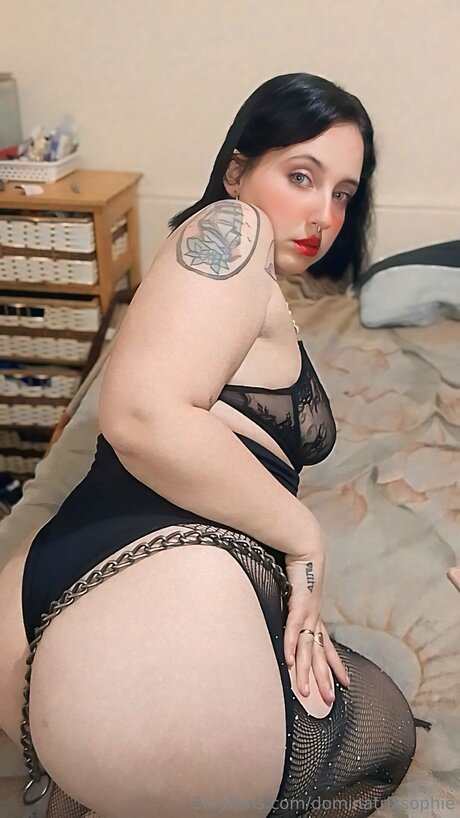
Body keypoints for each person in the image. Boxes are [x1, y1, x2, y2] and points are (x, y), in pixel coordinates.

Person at [0, 72, 431, 818]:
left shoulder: (247, 276)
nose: (324, 214)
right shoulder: (234, 229)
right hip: (158, 579)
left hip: (66, 576)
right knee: (380, 731)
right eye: (301, 176)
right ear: (237, 171)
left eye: (343, 194)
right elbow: (143, 414)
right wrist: (303, 534)